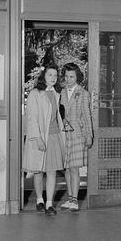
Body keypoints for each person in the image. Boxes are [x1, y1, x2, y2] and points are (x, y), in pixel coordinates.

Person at [22, 66, 66, 216]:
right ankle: (40, 200)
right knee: (38, 171)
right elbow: (31, 118)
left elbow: (57, 116)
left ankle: (49, 204)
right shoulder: (35, 93)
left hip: (54, 136)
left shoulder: (57, 93)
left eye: (55, 75)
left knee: (52, 171)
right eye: (50, 74)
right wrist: (38, 138)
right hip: (40, 137)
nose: (53, 78)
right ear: (44, 76)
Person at [59, 62, 94, 212]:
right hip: (63, 135)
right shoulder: (60, 92)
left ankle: (75, 200)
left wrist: (89, 135)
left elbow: (87, 116)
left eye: (71, 76)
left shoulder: (83, 93)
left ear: (77, 77)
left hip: (77, 135)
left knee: (74, 169)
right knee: (67, 168)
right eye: (66, 76)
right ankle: (70, 198)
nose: (68, 79)